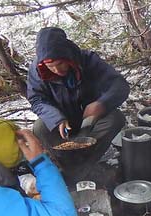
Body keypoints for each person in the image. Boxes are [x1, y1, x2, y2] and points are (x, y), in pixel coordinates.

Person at [27, 27, 129, 187]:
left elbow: (120, 85)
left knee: (115, 119)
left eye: (60, 64)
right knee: (40, 127)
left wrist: (101, 104)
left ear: (67, 56)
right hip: (63, 123)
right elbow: (36, 99)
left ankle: (76, 170)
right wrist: (57, 118)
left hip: (91, 121)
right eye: (51, 66)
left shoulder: (88, 60)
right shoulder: (37, 70)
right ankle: (76, 168)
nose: (56, 70)